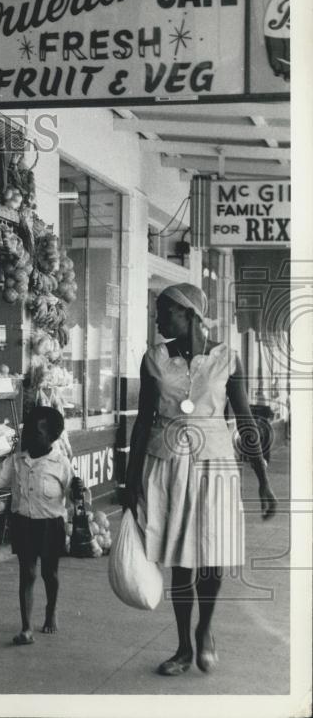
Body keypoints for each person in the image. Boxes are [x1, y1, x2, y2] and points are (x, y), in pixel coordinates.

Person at [124, 283, 277, 676]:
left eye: (164, 311)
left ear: (189, 313)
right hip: (167, 466)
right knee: (181, 560)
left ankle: (205, 629)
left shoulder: (227, 358)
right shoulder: (154, 358)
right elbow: (143, 423)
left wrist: (262, 477)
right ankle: (183, 647)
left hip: (215, 466)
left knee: (212, 555)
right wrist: (130, 480)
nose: (158, 319)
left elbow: (244, 420)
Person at [0, 405, 82, 645]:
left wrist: (78, 493)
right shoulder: (16, 461)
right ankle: (26, 628)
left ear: (52, 438)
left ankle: (51, 610)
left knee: (49, 573)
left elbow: (74, 499)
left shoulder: (61, 464)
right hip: (23, 523)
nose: (31, 437)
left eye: (38, 433)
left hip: (51, 525)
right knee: (28, 573)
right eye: (28, 431)